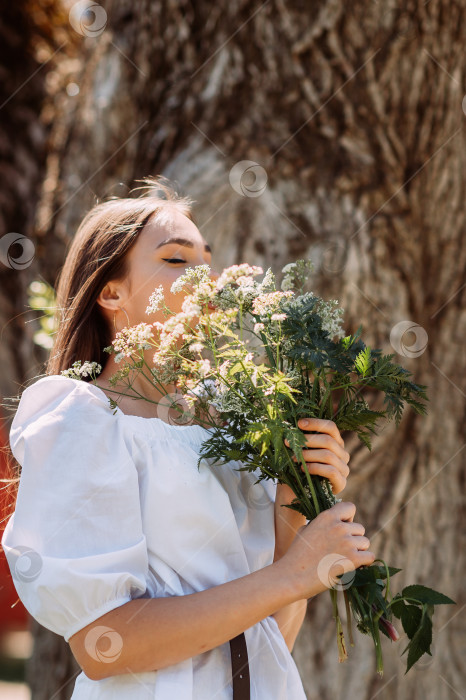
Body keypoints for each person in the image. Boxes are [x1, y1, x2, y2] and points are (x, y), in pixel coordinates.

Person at [1, 177, 375, 699]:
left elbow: (269, 638)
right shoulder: (82, 417)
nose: (207, 278)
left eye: (207, 259)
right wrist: (292, 575)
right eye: (177, 260)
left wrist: (298, 494)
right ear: (112, 292)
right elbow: (103, 644)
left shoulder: (233, 421)